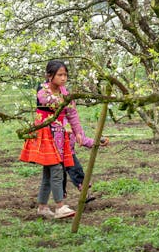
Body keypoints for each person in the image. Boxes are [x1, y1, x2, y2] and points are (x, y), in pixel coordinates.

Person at [19, 60, 106, 219]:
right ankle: (59, 206)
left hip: (60, 137)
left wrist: (79, 133)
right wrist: (64, 101)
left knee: (48, 172)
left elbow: (72, 114)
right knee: (57, 169)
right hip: (46, 135)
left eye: (65, 75)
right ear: (50, 75)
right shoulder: (43, 90)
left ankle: (42, 207)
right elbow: (46, 99)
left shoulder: (65, 93)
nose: (63, 78)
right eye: (60, 75)